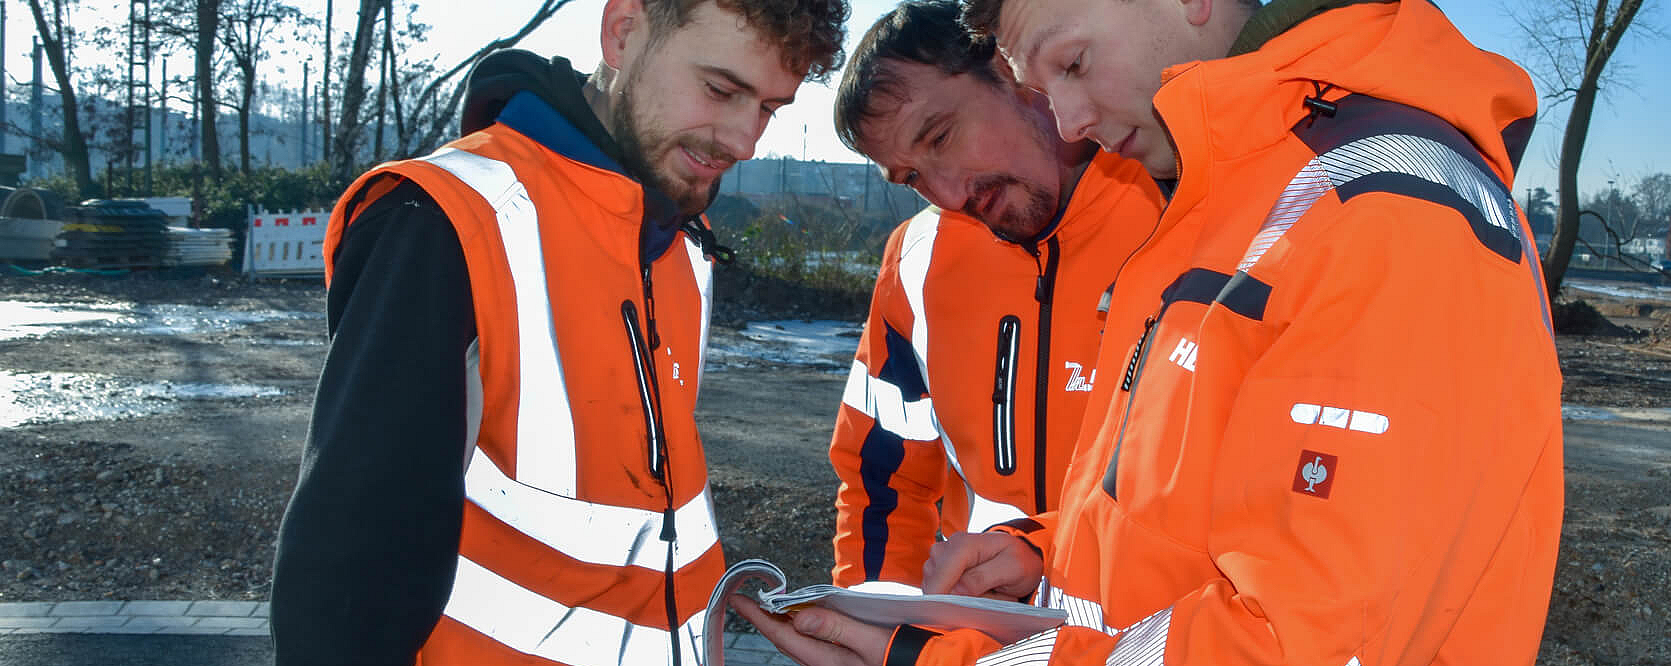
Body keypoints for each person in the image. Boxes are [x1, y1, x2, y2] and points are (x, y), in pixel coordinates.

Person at [735, 0, 1565, 665]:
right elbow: (1175, 519)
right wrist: (1041, 551)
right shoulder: (1216, 209)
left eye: (1072, 63)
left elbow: (1303, 641)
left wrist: (938, 663)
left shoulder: (1384, 213)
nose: (1064, 119)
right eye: (915, 177)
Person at [268, 0, 846, 663]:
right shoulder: (445, 223)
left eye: (769, 108)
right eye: (721, 89)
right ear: (623, 31)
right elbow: (345, 582)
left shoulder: (679, 243)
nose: (745, 140)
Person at [824, 0, 1164, 595]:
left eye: (942, 136)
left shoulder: (1181, 211)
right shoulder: (918, 260)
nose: (949, 192)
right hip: (977, 647)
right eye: (912, 179)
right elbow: (883, 480)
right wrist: (882, 628)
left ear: (1011, 72)